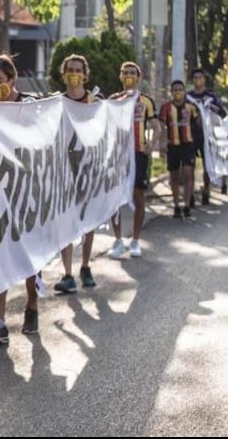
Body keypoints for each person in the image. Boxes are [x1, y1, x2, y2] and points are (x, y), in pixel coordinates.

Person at [0, 54, 42, 345]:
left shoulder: (30, 105)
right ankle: (0, 324)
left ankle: (31, 306)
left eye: (0, 81)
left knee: (29, 257)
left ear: (13, 80)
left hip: (28, 192)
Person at [53, 54, 99, 294]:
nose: (73, 73)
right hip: (63, 168)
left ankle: (85, 265)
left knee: (87, 219)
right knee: (65, 220)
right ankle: (68, 273)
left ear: (85, 74)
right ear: (63, 74)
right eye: (69, 69)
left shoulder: (94, 102)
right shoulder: (55, 104)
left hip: (87, 166)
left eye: (78, 69)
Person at [108, 62, 162, 259]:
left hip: (139, 154)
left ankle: (136, 240)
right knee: (114, 198)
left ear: (138, 77)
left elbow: (157, 127)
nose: (129, 75)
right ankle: (117, 240)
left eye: (133, 73)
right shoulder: (113, 100)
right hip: (118, 155)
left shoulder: (146, 101)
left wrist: (152, 144)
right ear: (120, 76)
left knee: (139, 195)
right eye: (125, 73)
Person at [159, 80, 201, 219]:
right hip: (173, 146)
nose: (178, 92)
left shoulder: (191, 107)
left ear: (184, 91)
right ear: (171, 92)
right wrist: (163, 142)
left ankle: (187, 204)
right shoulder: (166, 108)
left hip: (188, 145)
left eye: (180, 89)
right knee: (174, 176)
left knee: (188, 173)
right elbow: (162, 126)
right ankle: (176, 205)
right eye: (175, 90)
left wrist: (198, 143)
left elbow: (197, 125)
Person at [188, 68, 228, 203]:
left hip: (208, 136)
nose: (198, 80)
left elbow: (223, 113)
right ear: (192, 80)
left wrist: (211, 107)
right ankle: (191, 194)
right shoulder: (188, 97)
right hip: (192, 135)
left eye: (200, 77)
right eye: (195, 77)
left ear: (204, 79)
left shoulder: (210, 97)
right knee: (189, 166)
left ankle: (206, 190)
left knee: (207, 164)